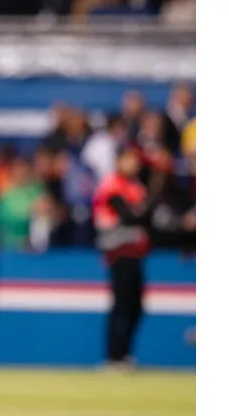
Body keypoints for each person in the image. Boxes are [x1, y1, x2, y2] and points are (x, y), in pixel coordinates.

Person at [92, 146, 152, 369]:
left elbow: (146, 218)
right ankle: (113, 356)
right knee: (122, 305)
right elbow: (131, 217)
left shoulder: (136, 186)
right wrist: (142, 213)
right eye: (129, 159)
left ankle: (124, 354)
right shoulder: (112, 185)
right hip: (119, 250)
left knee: (136, 306)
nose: (133, 164)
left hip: (136, 252)